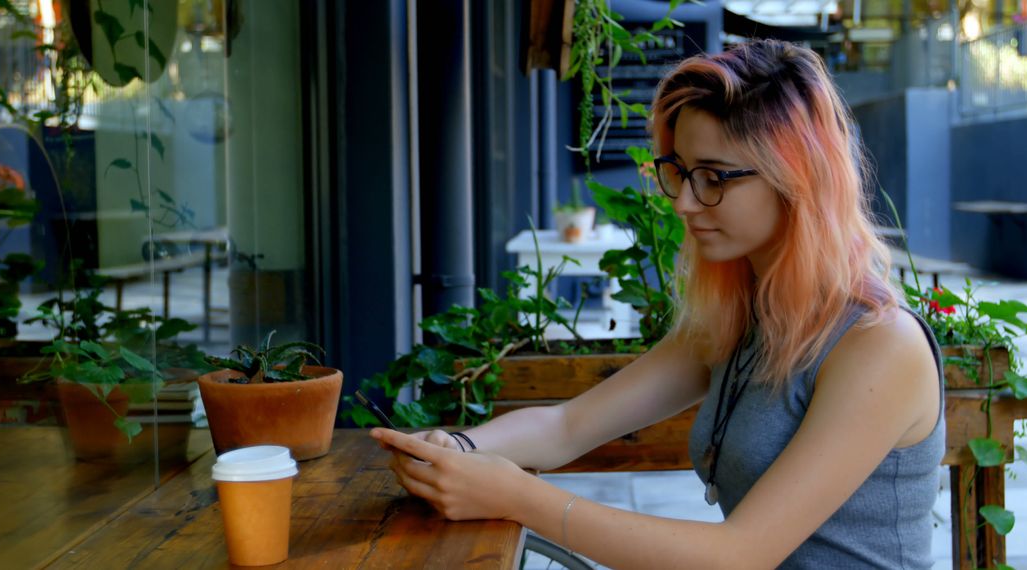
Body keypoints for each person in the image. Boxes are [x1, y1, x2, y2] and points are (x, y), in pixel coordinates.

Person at [371, 39, 944, 569]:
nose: (686, 203)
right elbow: (569, 425)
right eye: (682, 173)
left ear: (797, 180)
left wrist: (520, 495)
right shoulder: (741, 317)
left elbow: (737, 557)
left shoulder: (878, 346)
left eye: (715, 177)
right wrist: (460, 448)